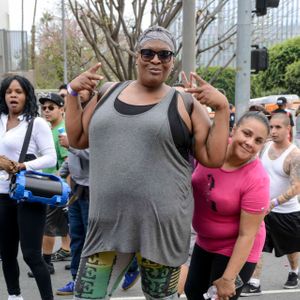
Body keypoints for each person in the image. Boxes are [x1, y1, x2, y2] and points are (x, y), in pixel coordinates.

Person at [65, 25, 229, 300]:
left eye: (164, 54)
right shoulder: (108, 91)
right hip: (106, 225)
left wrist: (222, 108)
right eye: (148, 52)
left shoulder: (184, 102)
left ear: (172, 61)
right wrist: (72, 93)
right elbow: (78, 138)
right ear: (137, 56)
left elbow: (212, 157)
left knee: (160, 298)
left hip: (160, 228)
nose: (155, 60)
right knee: (87, 296)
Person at [185, 111, 271, 300]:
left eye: (258, 140)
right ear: (234, 130)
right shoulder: (213, 150)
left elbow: (247, 235)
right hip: (205, 241)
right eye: (247, 134)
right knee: (193, 293)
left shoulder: (257, 179)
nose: (250, 143)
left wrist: (228, 278)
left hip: (236, 248)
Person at [0, 75, 57, 300]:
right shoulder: (0, 120)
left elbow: (51, 158)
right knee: (6, 253)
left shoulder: (37, 123)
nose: (13, 95)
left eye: (19, 91)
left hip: (28, 194)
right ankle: (15, 296)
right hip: (2, 195)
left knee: (32, 255)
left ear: (27, 96)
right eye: (9, 91)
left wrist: (22, 165)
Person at [241, 113, 300, 296]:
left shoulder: (295, 155)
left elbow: (297, 187)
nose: (273, 131)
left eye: (277, 127)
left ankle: (294, 273)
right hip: (262, 210)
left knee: (291, 249)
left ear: (287, 129)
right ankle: (254, 282)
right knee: (257, 245)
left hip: (287, 212)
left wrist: (273, 202)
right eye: (271, 127)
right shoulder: (265, 147)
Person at [27, 92, 70, 278]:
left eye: (51, 107)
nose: (46, 111)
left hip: (54, 186)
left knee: (47, 226)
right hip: (47, 185)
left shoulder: (61, 131)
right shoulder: (49, 128)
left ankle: (46, 263)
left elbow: (68, 162)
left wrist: (66, 192)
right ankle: (69, 252)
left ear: (62, 109)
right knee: (62, 225)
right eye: (43, 108)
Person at [56, 89, 92, 296]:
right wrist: (62, 173)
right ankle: (76, 280)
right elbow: (74, 157)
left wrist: (71, 146)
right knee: (77, 237)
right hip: (76, 190)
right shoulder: (73, 120)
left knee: (91, 239)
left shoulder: (96, 119)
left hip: (93, 190)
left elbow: (98, 153)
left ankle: (91, 282)